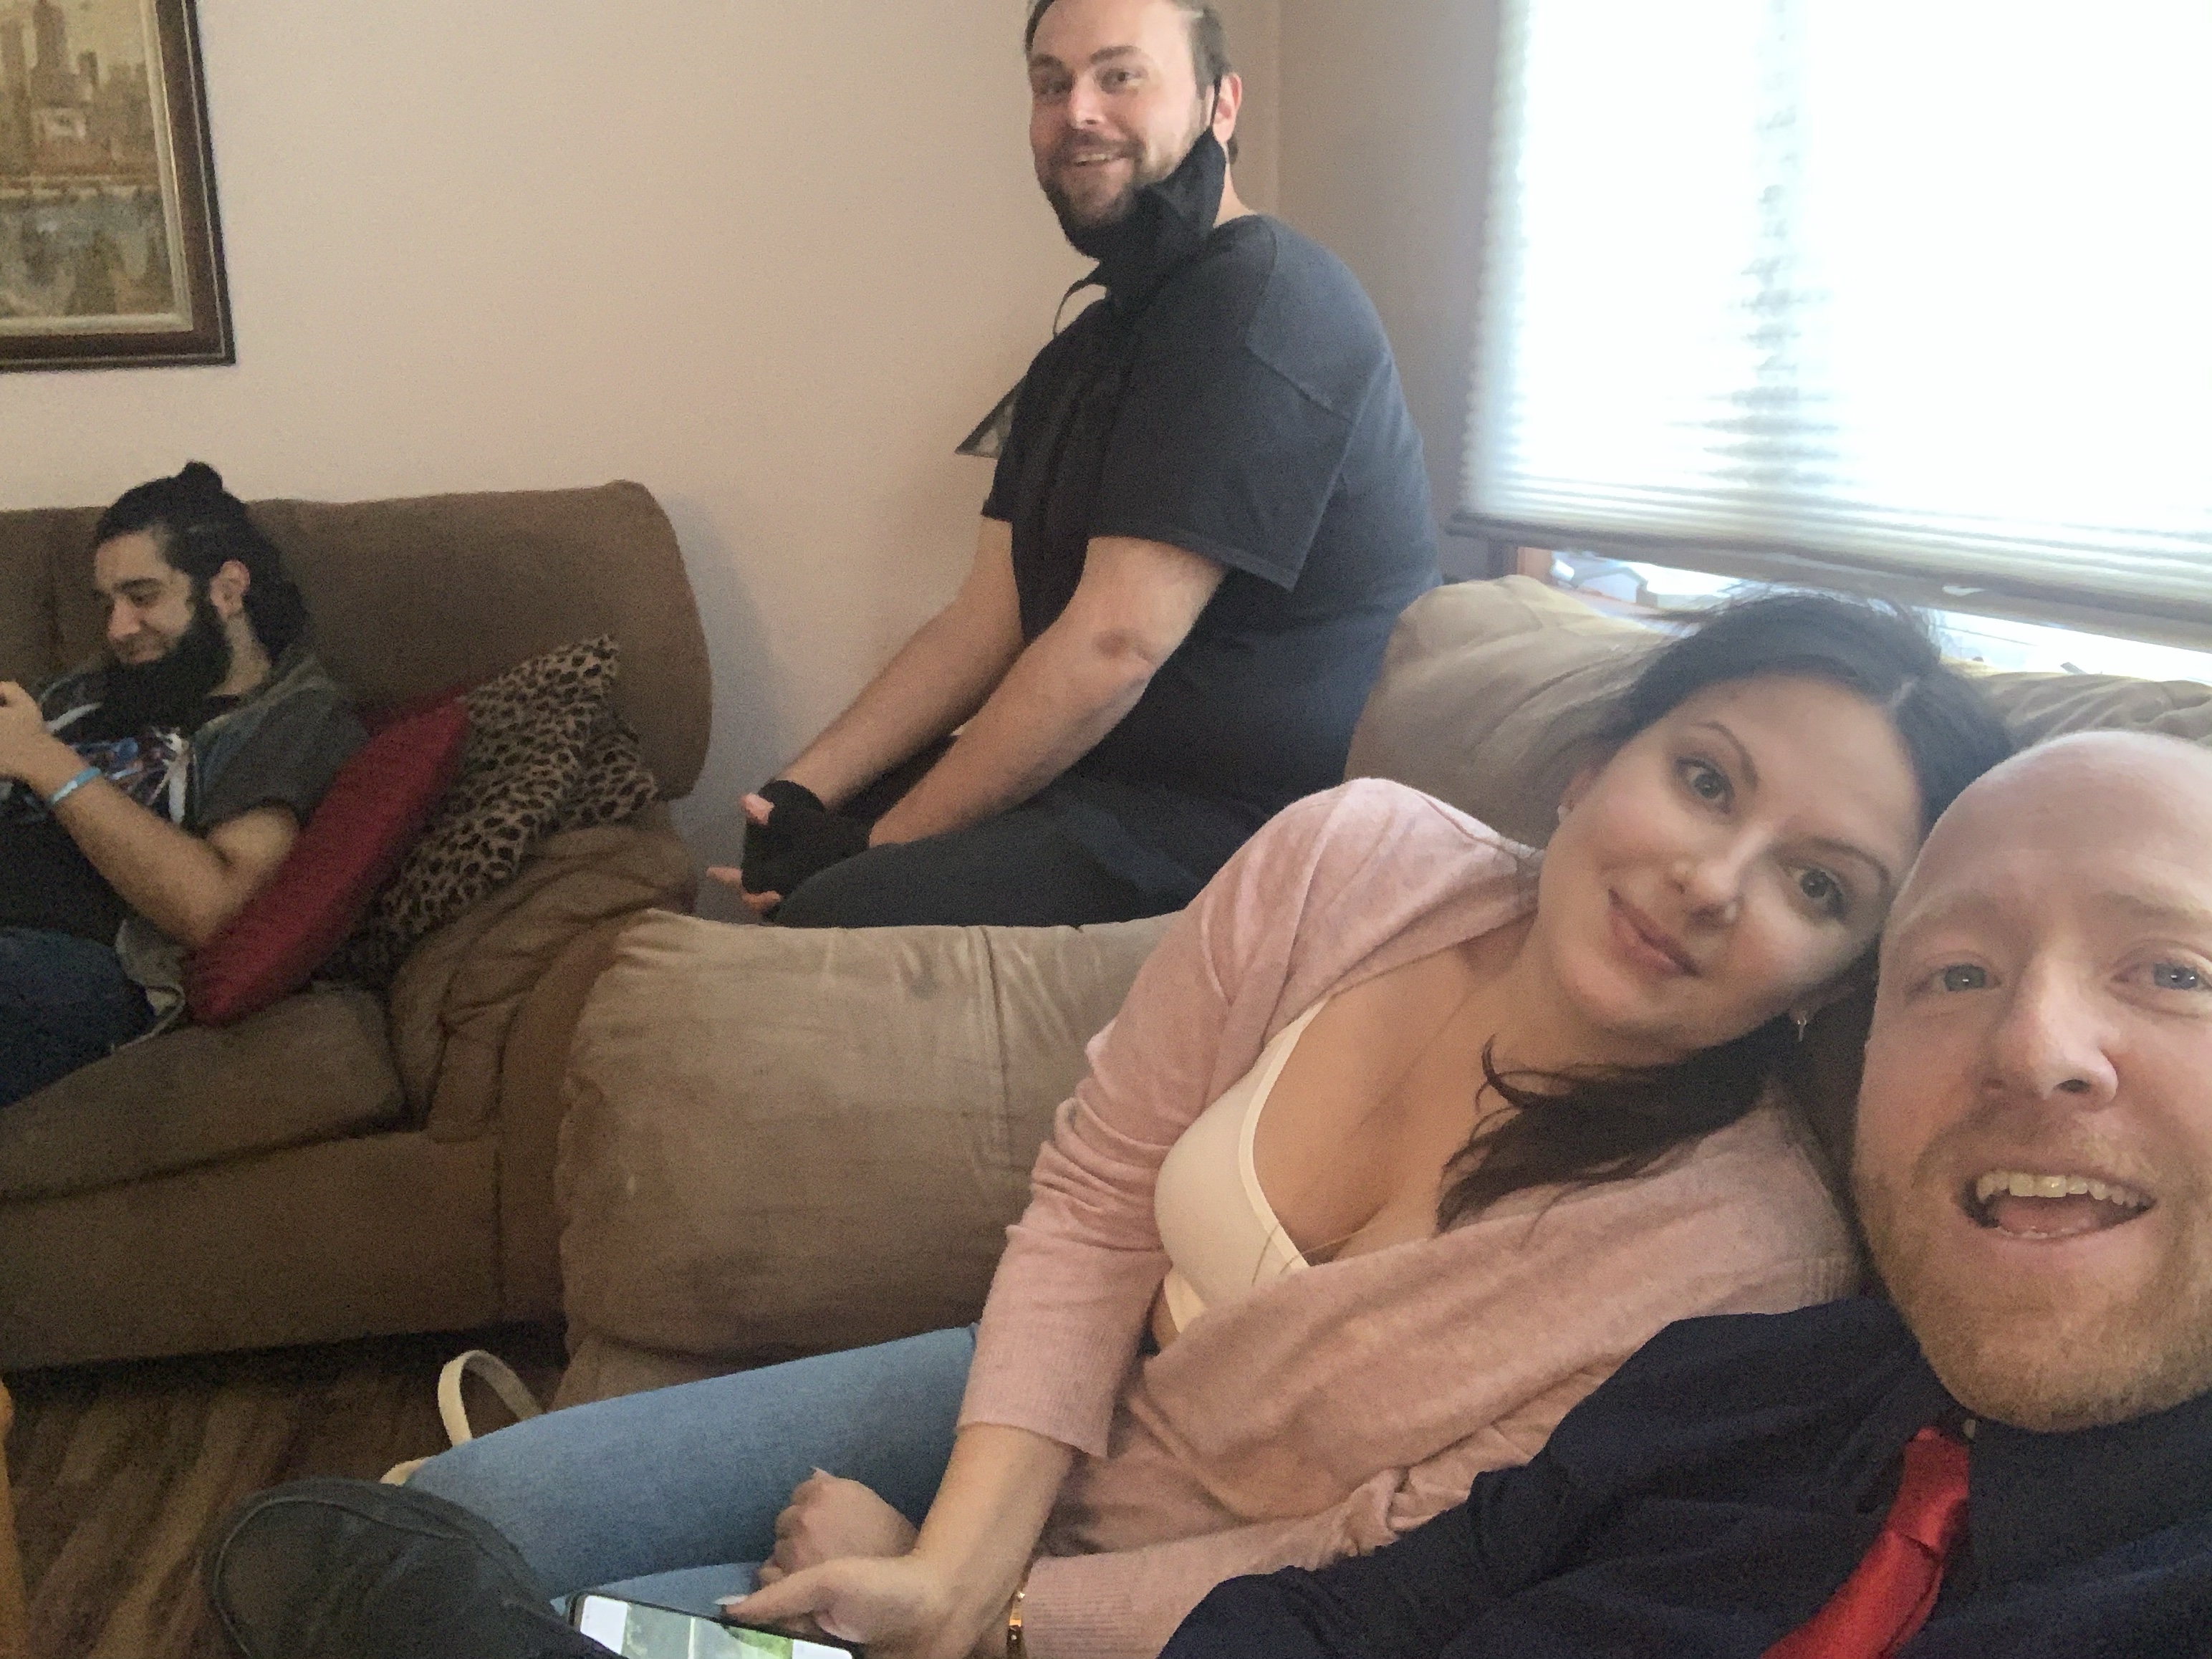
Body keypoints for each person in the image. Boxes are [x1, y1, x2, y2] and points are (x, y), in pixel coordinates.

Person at [382, 592, 2009, 1659]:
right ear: (1594, 766)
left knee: (572, 1635)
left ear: (1837, 981)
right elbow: (1097, 1199)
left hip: (1204, 1611)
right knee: (417, 1544)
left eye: (1817, 887)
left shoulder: (1745, 1262)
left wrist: (995, 1610)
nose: (1711, 881)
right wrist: (957, 1550)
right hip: (1039, 1392)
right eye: (1706, 780)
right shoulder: (1348, 858)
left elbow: (1383, 1556)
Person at [1160, 727, 2212, 1659]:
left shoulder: (1743, 1257)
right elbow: (1331, 1621)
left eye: (2176, 974)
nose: (2030, 1047)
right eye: (1956, 974)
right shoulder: (1723, 1382)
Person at [713, 0, 1440, 929]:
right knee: (801, 837)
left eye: (1119, 75)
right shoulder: (1086, 349)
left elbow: (1114, 647)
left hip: (1239, 827)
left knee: (837, 905)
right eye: (1051, 85)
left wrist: (875, 856)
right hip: (1104, 782)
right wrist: (798, 793)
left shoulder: (1262, 297)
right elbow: (983, 622)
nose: (1079, 111)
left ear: (1221, 104)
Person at [0, 463, 363, 1107]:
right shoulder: (82, 693)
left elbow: (212, 905)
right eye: (108, 604)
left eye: (142, 597)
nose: (118, 629)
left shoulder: (289, 717)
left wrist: (46, 761)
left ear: (227, 588)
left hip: (82, 964)